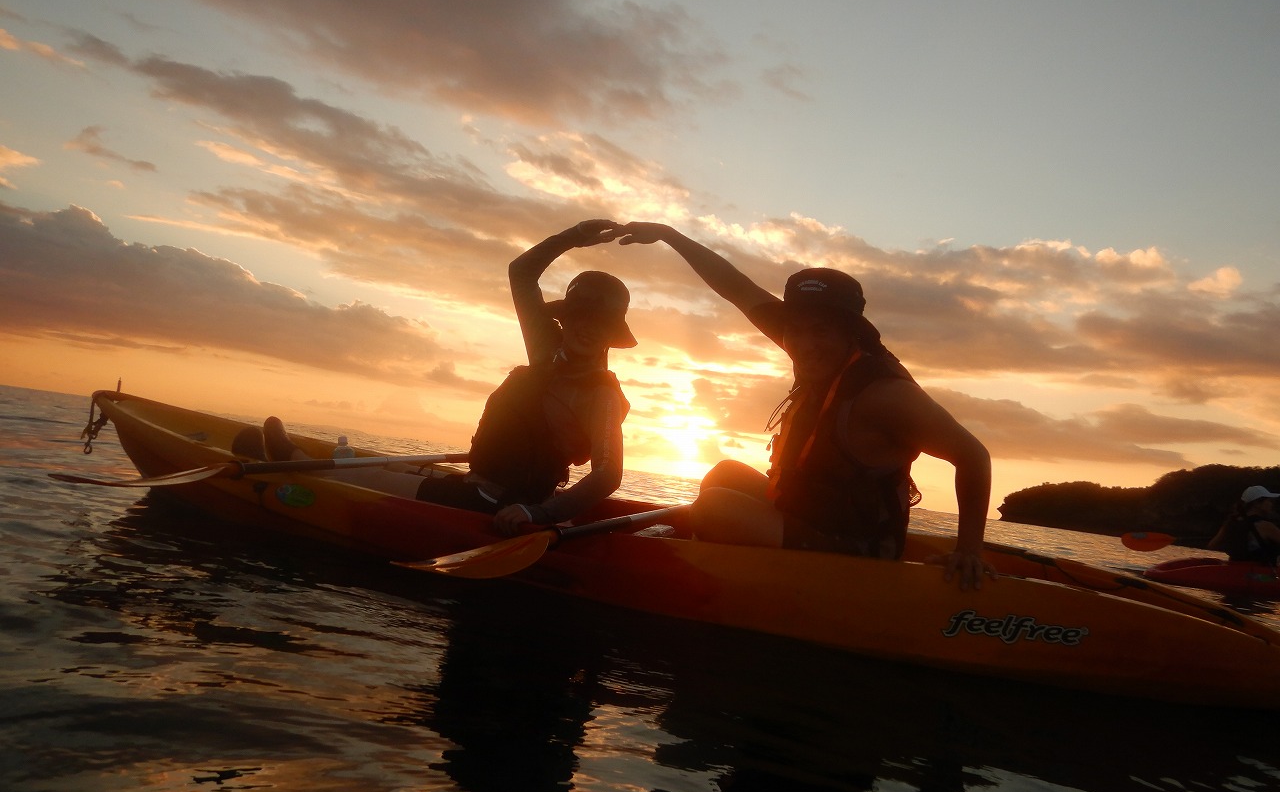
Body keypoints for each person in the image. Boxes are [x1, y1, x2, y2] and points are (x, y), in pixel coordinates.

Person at [615, 222, 995, 588]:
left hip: (857, 550)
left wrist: (968, 550)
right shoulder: (810, 348)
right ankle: (728, 569)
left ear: (849, 334)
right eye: (795, 330)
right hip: (805, 515)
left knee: (716, 507)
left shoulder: (884, 394)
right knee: (724, 474)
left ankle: (722, 582)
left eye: (820, 331)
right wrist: (668, 235)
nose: (804, 344)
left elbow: (972, 455)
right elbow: (736, 287)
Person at [254, 219, 634, 536]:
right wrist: (572, 236)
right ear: (565, 318)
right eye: (579, 317)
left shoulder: (601, 395)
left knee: (369, 477)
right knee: (389, 465)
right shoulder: (546, 351)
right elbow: (521, 272)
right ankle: (314, 460)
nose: (587, 329)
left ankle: (295, 461)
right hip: (477, 487)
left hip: (502, 507)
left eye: (599, 324)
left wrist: (537, 514)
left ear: (610, 334)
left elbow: (607, 475)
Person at [1207, 485, 1280, 565]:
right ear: (1257, 504)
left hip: (1234, 568)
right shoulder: (1265, 526)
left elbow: (1212, 546)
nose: (1271, 504)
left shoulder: (1231, 523)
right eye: (1269, 501)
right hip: (1262, 571)